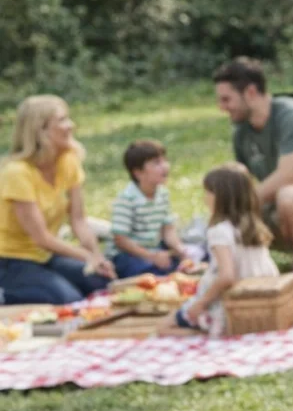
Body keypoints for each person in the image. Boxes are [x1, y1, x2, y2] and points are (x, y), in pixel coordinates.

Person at [213, 57, 293, 272]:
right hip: (277, 213)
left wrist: (239, 205)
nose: (221, 107)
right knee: (228, 216)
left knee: (288, 196)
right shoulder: (241, 132)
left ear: (250, 92)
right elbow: (243, 183)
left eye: (226, 99)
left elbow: (289, 177)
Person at [0, 96, 115, 305]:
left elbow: (78, 220)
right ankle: (5, 294)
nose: (71, 125)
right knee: (68, 300)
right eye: (62, 120)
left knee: (101, 283)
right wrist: (85, 256)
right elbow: (41, 237)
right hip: (12, 261)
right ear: (40, 131)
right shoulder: (17, 173)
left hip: (47, 255)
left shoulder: (68, 160)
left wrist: (97, 256)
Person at [169, 163, 279, 336]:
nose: (205, 198)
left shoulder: (218, 231)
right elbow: (241, 262)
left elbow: (227, 276)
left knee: (165, 326)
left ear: (219, 197)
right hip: (264, 298)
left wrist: (202, 303)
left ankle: (210, 332)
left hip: (229, 304)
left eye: (207, 192)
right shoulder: (251, 225)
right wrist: (209, 268)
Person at [108, 140, 188, 279]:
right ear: (138, 173)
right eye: (157, 163)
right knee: (148, 272)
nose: (165, 166)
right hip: (129, 254)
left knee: (182, 265)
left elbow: (168, 229)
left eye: (165, 160)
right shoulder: (127, 198)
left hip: (154, 249)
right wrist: (151, 257)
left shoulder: (162, 194)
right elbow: (121, 240)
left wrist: (179, 249)